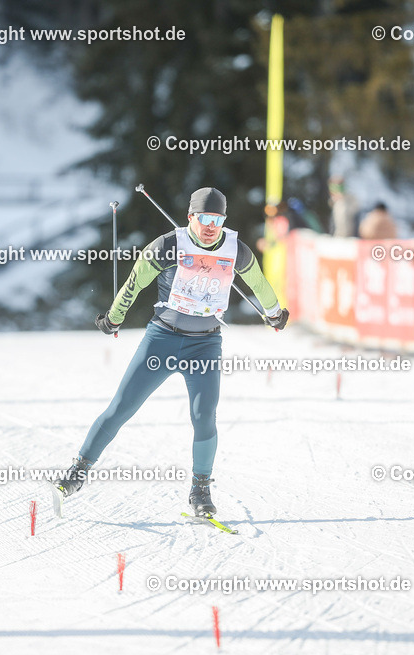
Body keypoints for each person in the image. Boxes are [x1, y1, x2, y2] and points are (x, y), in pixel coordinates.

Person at [53, 187, 289, 518]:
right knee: (122, 407)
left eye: (217, 220)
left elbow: (258, 284)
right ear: (191, 217)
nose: (211, 227)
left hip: (205, 346)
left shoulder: (236, 250)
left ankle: (200, 490)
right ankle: (77, 472)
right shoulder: (166, 246)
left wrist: (275, 313)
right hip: (162, 340)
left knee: (203, 416)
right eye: (204, 219)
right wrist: (114, 318)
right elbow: (134, 283)